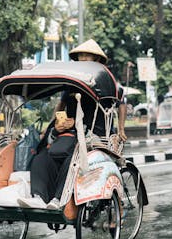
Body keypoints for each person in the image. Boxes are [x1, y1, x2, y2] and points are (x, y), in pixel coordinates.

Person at [18, 39, 126, 209]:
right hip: (71, 132)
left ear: (96, 59)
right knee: (42, 157)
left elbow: (121, 104)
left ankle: (59, 199)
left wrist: (121, 129)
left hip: (95, 134)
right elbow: (61, 106)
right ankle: (39, 197)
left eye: (87, 55)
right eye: (80, 55)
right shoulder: (72, 84)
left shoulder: (105, 81)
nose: (83, 58)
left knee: (73, 158)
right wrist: (53, 125)